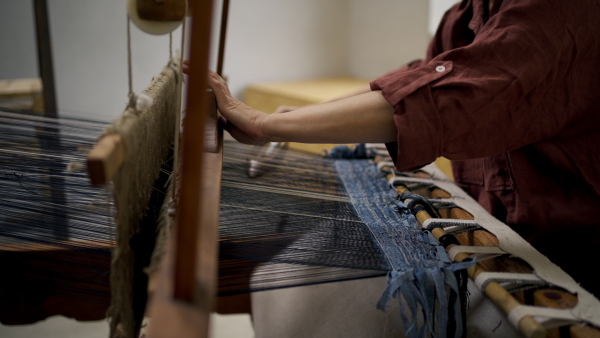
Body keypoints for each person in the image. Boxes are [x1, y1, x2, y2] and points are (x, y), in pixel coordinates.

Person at [186, 0, 600, 296]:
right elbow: (419, 76)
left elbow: (457, 96)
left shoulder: (560, 9)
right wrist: (309, 115)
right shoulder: (467, 13)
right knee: (284, 278)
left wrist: (267, 125)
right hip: (494, 235)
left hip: (572, 265)